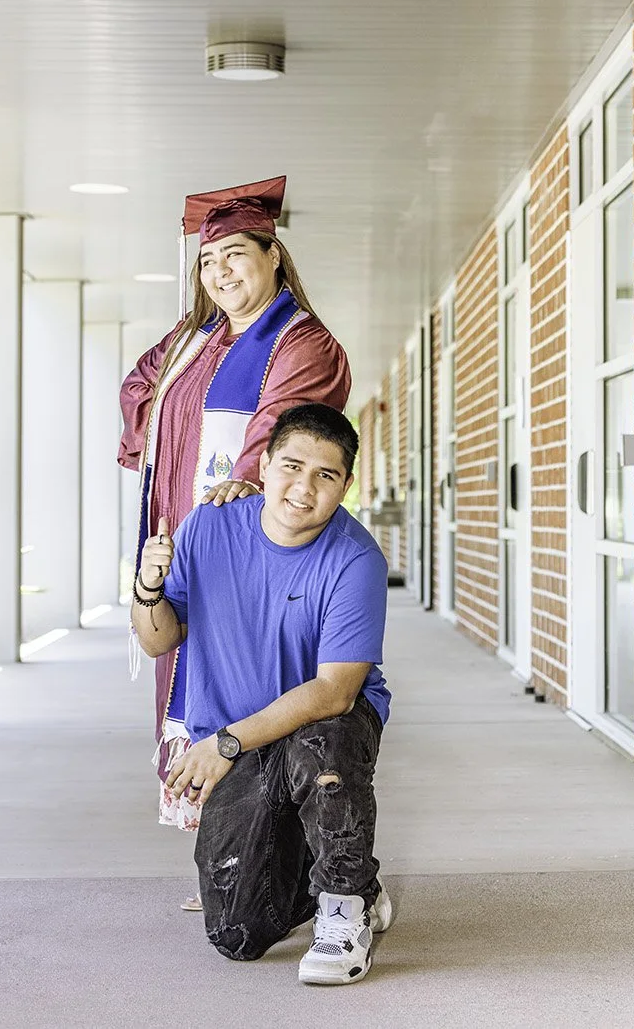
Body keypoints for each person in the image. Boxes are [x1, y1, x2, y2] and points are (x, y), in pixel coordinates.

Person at [117, 177, 351, 905]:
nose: (219, 269)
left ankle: (285, 867)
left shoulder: (299, 339)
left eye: (235, 253)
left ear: (274, 256)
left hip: (252, 554)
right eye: (207, 258)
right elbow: (138, 387)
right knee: (193, 689)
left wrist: (244, 475)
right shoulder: (194, 340)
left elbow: (287, 427)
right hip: (188, 546)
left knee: (256, 692)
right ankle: (227, 855)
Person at [130, 404, 392, 986]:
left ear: (347, 485)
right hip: (243, 735)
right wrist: (148, 585)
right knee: (237, 933)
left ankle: (346, 908)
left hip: (320, 722)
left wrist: (223, 744)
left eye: (326, 476)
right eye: (292, 467)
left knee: (323, 750)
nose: (304, 488)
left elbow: (334, 692)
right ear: (265, 464)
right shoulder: (210, 524)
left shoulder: (356, 560)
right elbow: (159, 641)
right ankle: (345, 876)